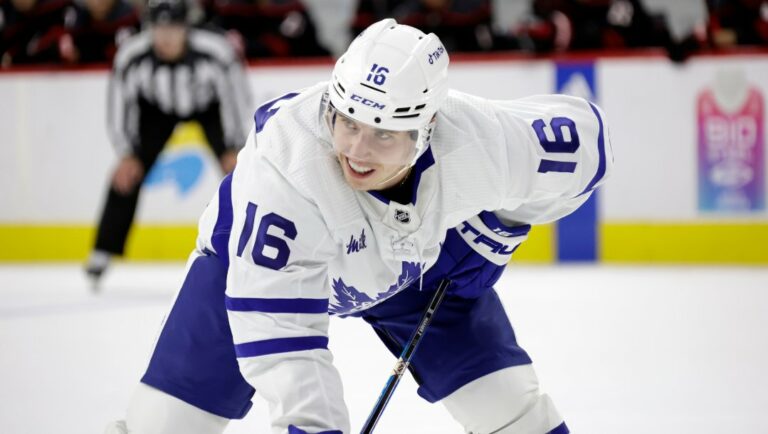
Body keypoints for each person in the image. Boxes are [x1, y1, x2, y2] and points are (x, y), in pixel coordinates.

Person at [105, 18, 613, 434]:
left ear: (427, 129)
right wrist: (316, 428)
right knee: (165, 427)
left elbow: (586, 145)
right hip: (250, 272)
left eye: (384, 134)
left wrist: (493, 233)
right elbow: (281, 338)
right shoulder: (287, 167)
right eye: (346, 120)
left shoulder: (475, 140)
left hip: (414, 269)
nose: (356, 150)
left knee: (516, 415)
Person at [85, 0, 253, 283]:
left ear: (187, 27)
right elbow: (119, 105)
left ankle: (248, 245)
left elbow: (235, 97)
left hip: (209, 107)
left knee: (240, 174)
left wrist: (233, 146)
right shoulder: (131, 55)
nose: (165, 36)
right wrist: (127, 152)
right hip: (156, 111)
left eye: (173, 28)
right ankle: (103, 249)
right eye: (158, 28)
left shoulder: (216, 50)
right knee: (125, 174)